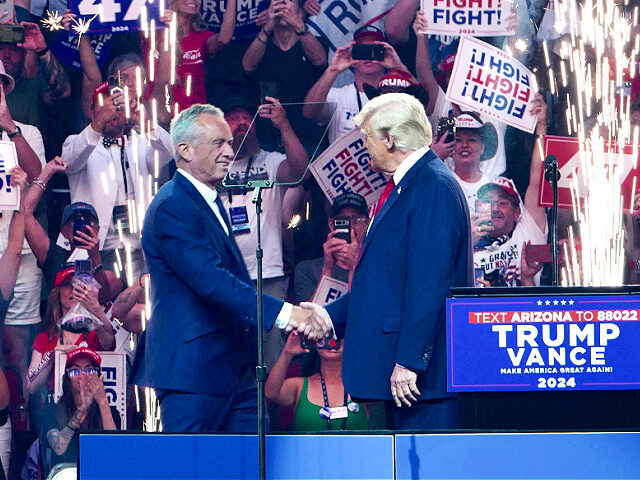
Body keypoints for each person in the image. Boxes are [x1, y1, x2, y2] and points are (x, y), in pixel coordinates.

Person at [131, 103, 331, 433]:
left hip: (233, 367)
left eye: (228, 142)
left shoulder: (206, 200)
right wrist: (288, 313)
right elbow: (211, 281)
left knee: (247, 465)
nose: (229, 150)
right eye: (218, 143)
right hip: (193, 371)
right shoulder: (172, 205)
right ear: (185, 150)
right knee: (193, 469)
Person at [314, 92, 473, 430]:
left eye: (367, 138)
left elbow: (430, 283)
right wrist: (327, 316)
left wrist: (409, 361)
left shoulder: (433, 187)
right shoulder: (408, 187)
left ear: (389, 139)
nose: (364, 146)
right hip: (405, 380)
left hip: (421, 383)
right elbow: (387, 283)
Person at [219, 95, 309, 370]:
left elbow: (301, 171)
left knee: (270, 358)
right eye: (233, 119)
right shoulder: (212, 165)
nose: (242, 123)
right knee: (229, 355)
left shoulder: (271, 160)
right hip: (225, 274)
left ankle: (267, 414)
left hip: (267, 272)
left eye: (247, 118)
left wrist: (284, 126)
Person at [61, 81, 174, 282]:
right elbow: (69, 162)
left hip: (139, 248)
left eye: (118, 108)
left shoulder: (140, 142)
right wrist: (97, 124)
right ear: (92, 112)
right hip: (93, 247)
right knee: (91, 303)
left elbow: (168, 152)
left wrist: (145, 121)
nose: (112, 113)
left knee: (140, 308)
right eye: (105, 107)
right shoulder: (76, 141)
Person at [472, 94, 548, 287]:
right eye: (489, 202)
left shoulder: (528, 232)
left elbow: (537, 181)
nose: (495, 208)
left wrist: (542, 126)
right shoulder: (470, 246)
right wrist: (468, 241)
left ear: (517, 213)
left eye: (503, 203)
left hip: (529, 314)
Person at [24, 157, 123, 301]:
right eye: (74, 221)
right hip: (59, 321)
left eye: (89, 222)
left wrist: (94, 258)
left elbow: (103, 296)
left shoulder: (112, 257)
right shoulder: (55, 256)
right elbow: (25, 213)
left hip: (97, 322)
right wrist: (47, 170)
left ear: (99, 228)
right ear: (63, 231)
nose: (83, 226)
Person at [242, 0, 328, 148]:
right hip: (268, 139)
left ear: (301, 12)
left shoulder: (314, 42)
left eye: (288, 3)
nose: (282, 8)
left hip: (308, 136)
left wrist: (299, 24)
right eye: (277, 5)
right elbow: (248, 66)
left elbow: (320, 61)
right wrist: (268, 25)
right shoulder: (260, 45)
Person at [303, 26, 411, 143]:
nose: (369, 57)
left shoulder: (399, 96)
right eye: (362, 51)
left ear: (384, 54)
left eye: (375, 50)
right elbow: (309, 112)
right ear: (353, 55)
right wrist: (333, 70)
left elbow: (428, 108)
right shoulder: (338, 96)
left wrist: (399, 67)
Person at [265, 332, 368, 431]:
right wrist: (288, 353)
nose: (332, 342)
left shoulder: (362, 385)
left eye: (339, 335)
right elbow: (271, 394)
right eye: (326, 336)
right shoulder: (299, 385)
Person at [40, 347, 118, 478]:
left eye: (90, 370)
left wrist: (103, 402)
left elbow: (115, 450)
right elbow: (59, 449)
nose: (83, 375)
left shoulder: (112, 413)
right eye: (75, 371)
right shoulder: (51, 410)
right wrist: (81, 408)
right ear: (67, 378)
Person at [294, 192, 369, 302]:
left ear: (367, 223)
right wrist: (327, 270)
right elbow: (309, 317)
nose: (350, 227)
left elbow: (371, 309)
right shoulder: (307, 270)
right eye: (342, 221)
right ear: (331, 224)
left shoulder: (378, 267)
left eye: (355, 219)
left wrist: (356, 265)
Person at [442, 112, 498, 211]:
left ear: (482, 148)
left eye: (472, 140)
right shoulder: (441, 184)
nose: (464, 145)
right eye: (458, 140)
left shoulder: (496, 186)